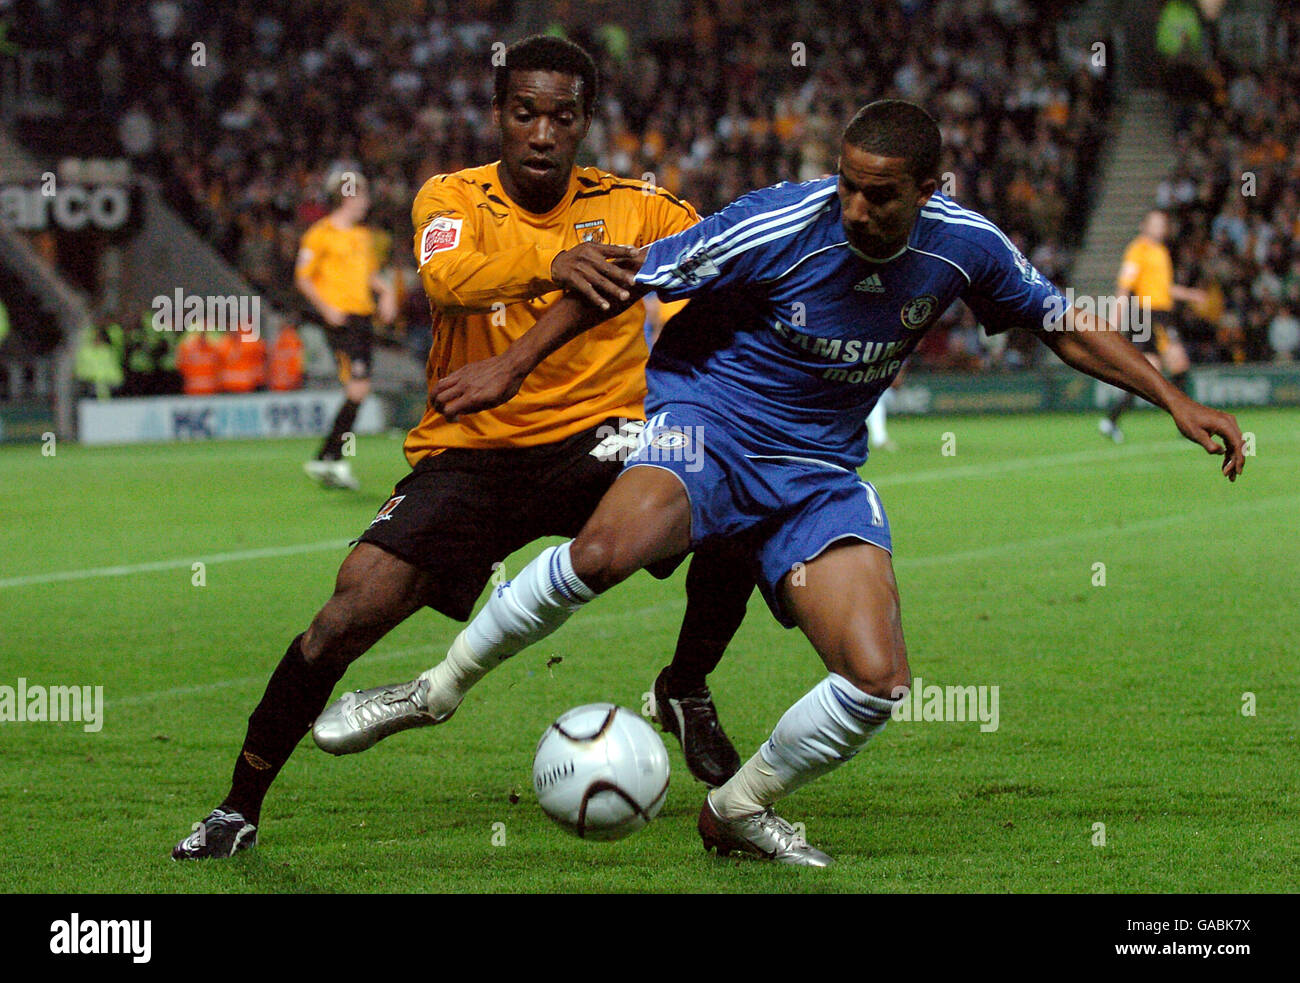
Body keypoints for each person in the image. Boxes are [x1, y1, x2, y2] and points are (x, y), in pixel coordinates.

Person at [336, 100, 1245, 866]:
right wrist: (513, 366)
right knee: (604, 552)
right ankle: (437, 688)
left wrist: (1173, 397)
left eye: (878, 194)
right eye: (846, 183)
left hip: (817, 471)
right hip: (713, 428)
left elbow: (1062, 323)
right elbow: (622, 278)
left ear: (927, 191)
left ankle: (736, 808)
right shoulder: (779, 221)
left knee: (879, 680)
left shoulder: (966, 247)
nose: (852, 205)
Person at [173, 36, 752, 861]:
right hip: (472, 450)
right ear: (497, 117)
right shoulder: (449, 197)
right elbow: (452, 280)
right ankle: (238, 805)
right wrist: (558, 260)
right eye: (525, 113)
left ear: (585, 121)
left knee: (733, 499)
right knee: (347, 613)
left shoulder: (638, 204)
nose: (543, 133)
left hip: (604, 436)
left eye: (562, 115)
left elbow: (723, 260)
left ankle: (685, 684)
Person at [295, 170, 398, 490]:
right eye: (362, 195)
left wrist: (387, 292)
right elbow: (303, 276)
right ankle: (331, 459)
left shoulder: (363, 236)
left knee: (358, 388)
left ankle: (329, 458)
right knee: (358, 388)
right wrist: (326, 308)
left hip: (362, 319)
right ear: (349, 197)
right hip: (340, 319)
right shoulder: (320, 234)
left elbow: (367, 276)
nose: (366, 202)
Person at [1100, 209, 1206, 442]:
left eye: (1163, 223)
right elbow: (1124, 289)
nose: (1161, 227)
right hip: (1149, 315)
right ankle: (1186, 425)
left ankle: (1111, 420)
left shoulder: (1161, 251)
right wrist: (1112, 323)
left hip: (1160, 314)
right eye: (1156, 223)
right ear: (1144, 226)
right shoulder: (1138, 250)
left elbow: (1165, 288)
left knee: (1148, 374)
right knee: (1179, 365)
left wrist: (1191, 295)